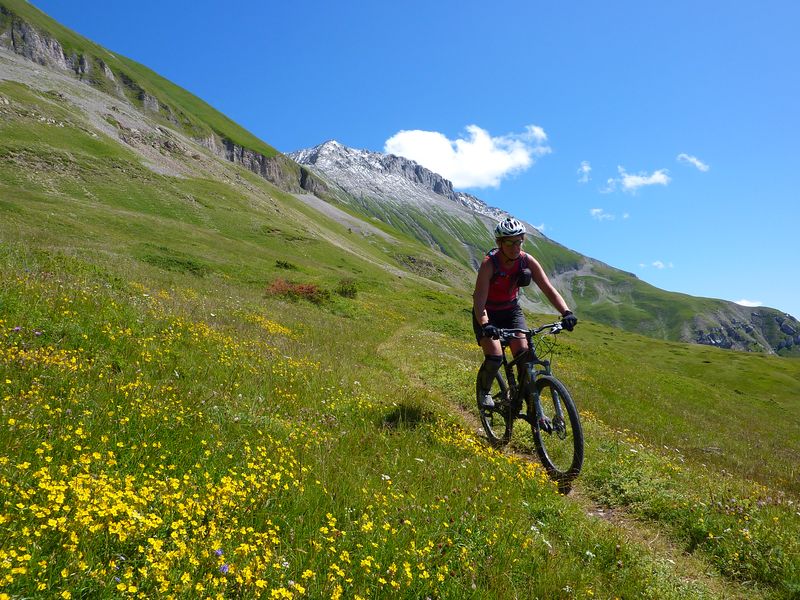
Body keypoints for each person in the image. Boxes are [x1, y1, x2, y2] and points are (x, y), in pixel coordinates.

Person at [472, 217, 578, 408]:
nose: (515, 247)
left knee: (524, 355)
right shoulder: (490, 264)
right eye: (510, 242)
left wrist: (566, 312)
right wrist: (486, 325)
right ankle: (484, 391)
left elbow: (548, 289)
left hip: (511, 311)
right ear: (499, 243)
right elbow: (479, 299)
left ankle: (531, 407)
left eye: (519, 242)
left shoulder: (526, 261)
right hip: (488, 313)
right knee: (495, 356)